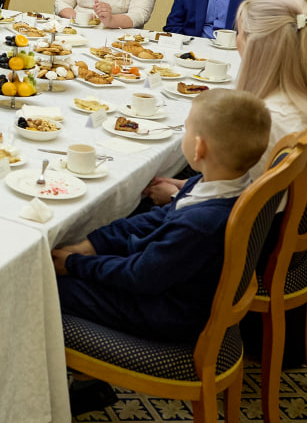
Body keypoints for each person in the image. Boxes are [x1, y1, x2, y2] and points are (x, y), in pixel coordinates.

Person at [54, 90, 270, 414]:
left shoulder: (201, 224)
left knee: (46, 289)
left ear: (198, 148)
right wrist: (93, 244)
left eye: (186, 128)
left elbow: (139, 277)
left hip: (169, 314)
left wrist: (76, 264)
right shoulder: (220, 185)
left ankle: (69, 389)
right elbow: (159, 218)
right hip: (173, 291)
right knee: (102, 249)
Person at [144, 0, 307, 205]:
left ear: (253, 45)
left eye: (238, 32)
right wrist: (190, 185)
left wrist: (175, 197)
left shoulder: (269, 119)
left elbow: (242, 202)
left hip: (238, 227)